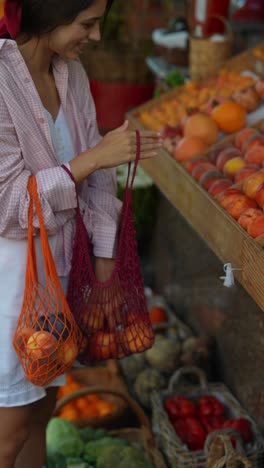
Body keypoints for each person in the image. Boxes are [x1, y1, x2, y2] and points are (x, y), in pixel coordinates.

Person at [0, 0, 162, 466]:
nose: (94, 37)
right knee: (7, 431)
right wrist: (93, 157)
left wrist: (105, 268)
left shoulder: (73, 76)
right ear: (50, 15)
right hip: (13, 282)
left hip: (63, 276)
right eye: (86, 24)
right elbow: (10, 204)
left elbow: (99, 180)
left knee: (43, 413)